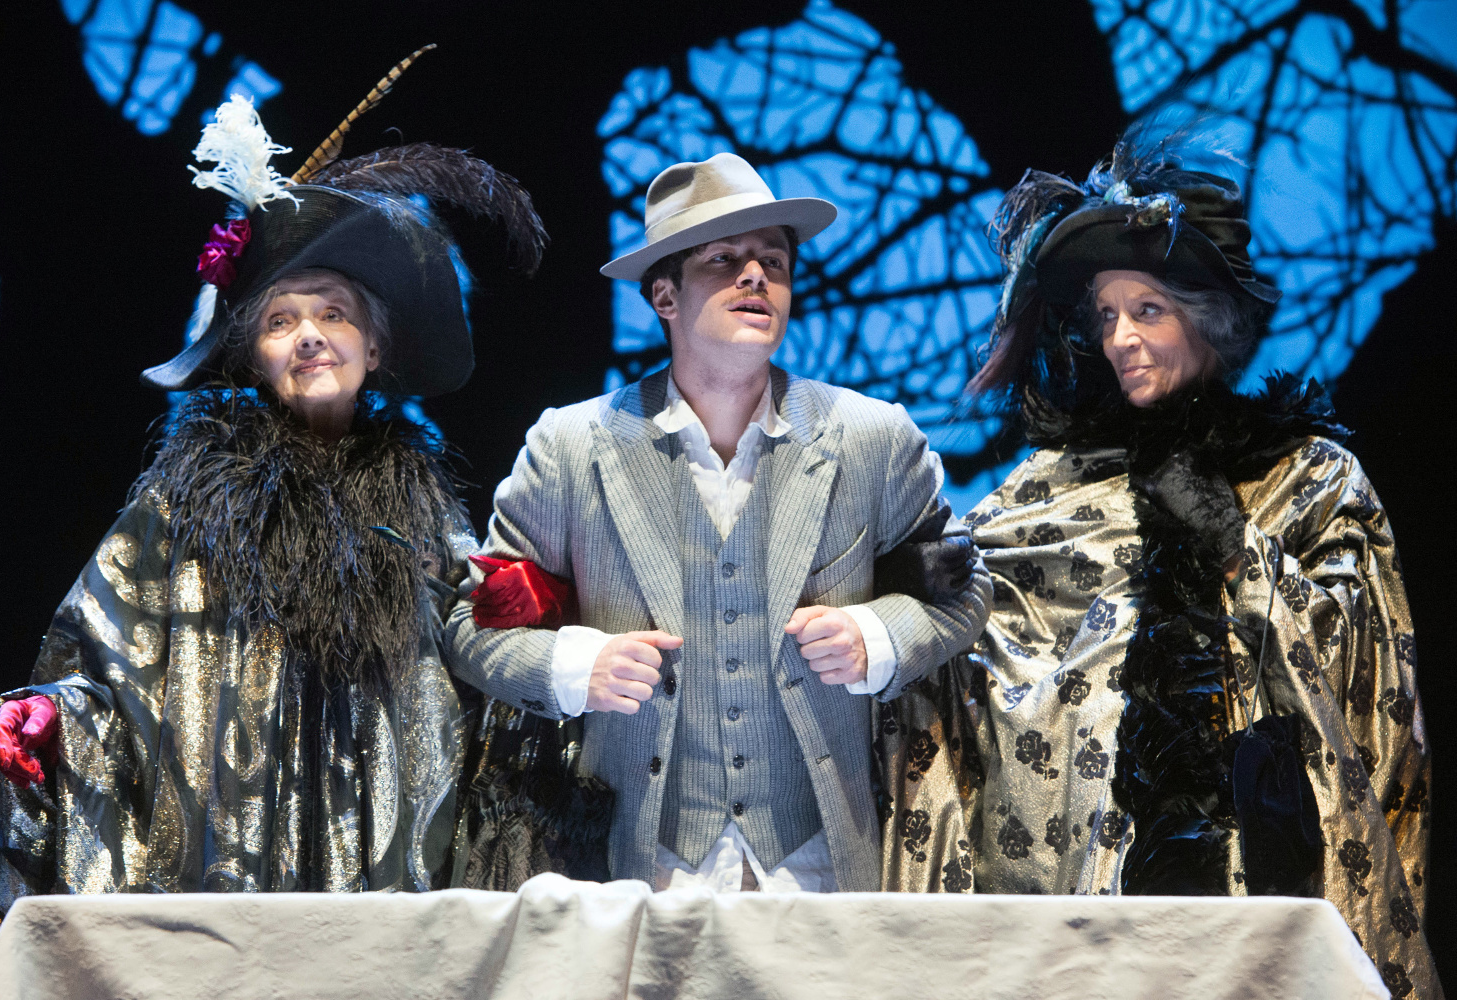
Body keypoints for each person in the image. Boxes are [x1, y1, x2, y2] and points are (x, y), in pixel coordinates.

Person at [877, 127, 1440, 996]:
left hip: (1256, 873)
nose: (1120, 340)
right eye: (1106, 316)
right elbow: (977, 642)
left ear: (1206, 319)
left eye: (1147, 311)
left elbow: (1364, 673)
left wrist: (1232, 544)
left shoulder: (1308, 476)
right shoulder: (1052, 485)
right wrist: (917, 589)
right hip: (1084, 894)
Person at [0, 87, 547, 932]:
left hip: (380, 861)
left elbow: (474, 675)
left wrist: (516, 620)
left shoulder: (425, 517)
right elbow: (105, 654)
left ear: (375, 346)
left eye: (333, 313)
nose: (310, 335)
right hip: (230, 848)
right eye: (282, 320)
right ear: (253, 354)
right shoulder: (183, 506)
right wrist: (55, 720)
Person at [446, 152, 992, 894]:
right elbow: (475, 625)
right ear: (664, 295)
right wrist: (575, 668)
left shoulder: (871, 437)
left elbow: (960, 587)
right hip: (639, 863)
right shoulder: (572, 447)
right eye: (723, 259)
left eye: (774, 261)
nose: (755, 276)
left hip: (821, 860)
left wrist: (879, 636)